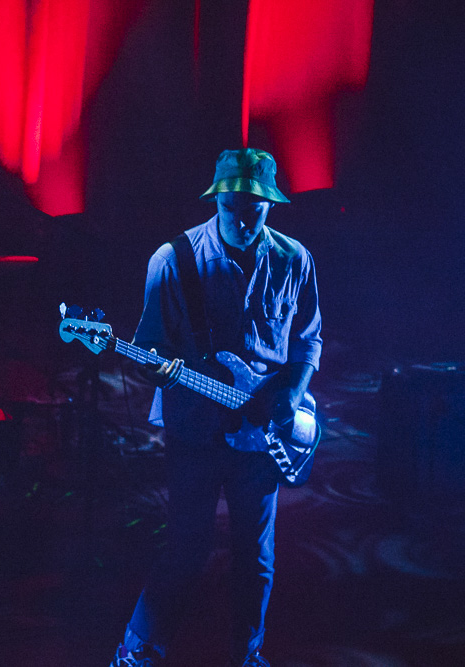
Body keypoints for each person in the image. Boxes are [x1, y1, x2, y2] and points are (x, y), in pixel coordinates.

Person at [110, 149, 323, 667]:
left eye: (255, 207)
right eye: (233, 206)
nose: (243, 217)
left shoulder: (295, 258)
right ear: (217, 198)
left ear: (271, 204)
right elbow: (147, 348)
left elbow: (308, 342)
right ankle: (137, 649)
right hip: (195, 429)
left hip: (263, 430)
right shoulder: (173, 260)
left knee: (257, 556)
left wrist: (286, 400)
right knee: (187, 546)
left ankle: (247, 655)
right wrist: (154, 368)